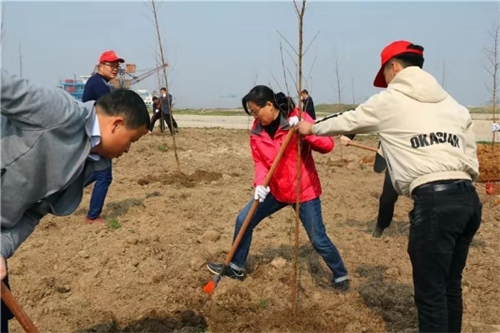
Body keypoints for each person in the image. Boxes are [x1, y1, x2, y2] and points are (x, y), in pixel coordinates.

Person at [296, 40, 482, 333]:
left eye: (384, 76)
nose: (384, 83)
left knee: (431, 295)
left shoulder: (389, 101)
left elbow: (349, 119)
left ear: (393, 67)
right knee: (450, 286)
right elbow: (471, 155)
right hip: (468, 201)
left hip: (434, 203)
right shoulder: (453, 105)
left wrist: (311, 127)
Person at [1, 70, 150, 332]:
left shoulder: (89, 166)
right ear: (116, 124)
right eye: (132, 140)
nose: (128, 150)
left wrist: (1, 248)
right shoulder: (60, 112)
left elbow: (33, 213)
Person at [206, 85, 350, 292]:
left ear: (269, 105)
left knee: (318, 239)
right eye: (251, 113)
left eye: (256, 111)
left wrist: (305, 129)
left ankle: (340, 274)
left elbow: (327, 145)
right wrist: (259, 185)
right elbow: (260, 162)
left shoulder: (296, 117)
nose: (255, 116)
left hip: (303, 191)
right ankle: (236, 266)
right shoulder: (257, 130)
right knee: (243, 220)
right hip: (275, 190)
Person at [82, 50, 125, 224]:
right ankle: (92, 216)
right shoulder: (99, 85)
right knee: (104, 176)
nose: (115, 69)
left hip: (93, 135)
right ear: (101, 66)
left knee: (94, 173)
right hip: (96, 137)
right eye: (111, 65)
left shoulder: (98, 82)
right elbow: (108, 114)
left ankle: (61, 192)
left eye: (117, 66)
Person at [340, 135, 399, 238]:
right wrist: (349, 135)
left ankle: (416, 221)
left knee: (421, 195)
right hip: (394, 157)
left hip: (418, 158)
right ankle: (381, 226)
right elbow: (366, 119)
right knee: (388, 196)